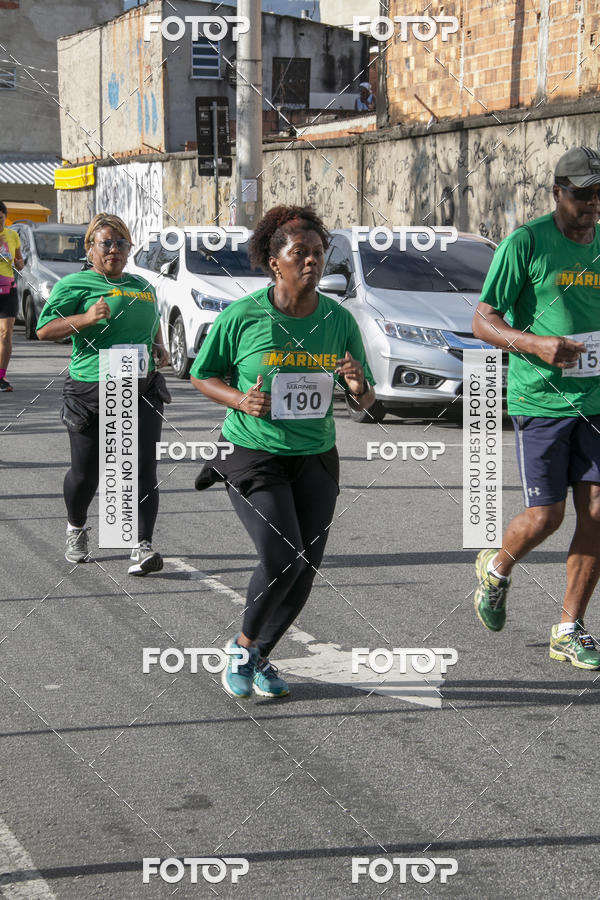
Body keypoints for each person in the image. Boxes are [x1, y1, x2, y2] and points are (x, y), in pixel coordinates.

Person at [191, 205, 375, 699]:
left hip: (315, 454)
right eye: (301, 253)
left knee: (306, 566)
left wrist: (357, 385)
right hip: (252, 449)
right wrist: (239, 398)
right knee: (282, 556)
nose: (312, 261)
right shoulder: (243, 316)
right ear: (276, 262)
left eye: (318, 252)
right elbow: (201, 374)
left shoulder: (338, 320)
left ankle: (262, 656)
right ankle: (242, 647)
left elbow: (368, 399)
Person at [472, 145, 600, 669]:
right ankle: (498, 569)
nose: (593, 204)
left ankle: (569, 628)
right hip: (541, 399)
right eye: (582, 194)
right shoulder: (526, 243)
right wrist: (535, 344)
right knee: (547, 516)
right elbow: (483, 319)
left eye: (599, 194)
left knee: (598, 513)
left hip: (597, 400)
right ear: (557, 193)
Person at [36, 213, 170, 575]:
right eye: (106, 243)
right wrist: (85, 318)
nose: (114, 249)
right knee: (87, 473)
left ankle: (141, 546)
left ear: (130, 248)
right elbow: (45, 331)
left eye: (121, 243)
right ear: (91, 248)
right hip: (91, 389)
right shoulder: (75, 284)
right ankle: (76, 527)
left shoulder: (143, 285)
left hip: (141, 384)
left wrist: (160, 346)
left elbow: (150, 323)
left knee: (142, 468)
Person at [0, 200, 25, 391]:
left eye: (0, 219)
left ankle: (1, 376)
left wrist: (16, 261)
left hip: (8, 288)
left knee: (6, 334)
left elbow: (20, 263)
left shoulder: (12, 235)